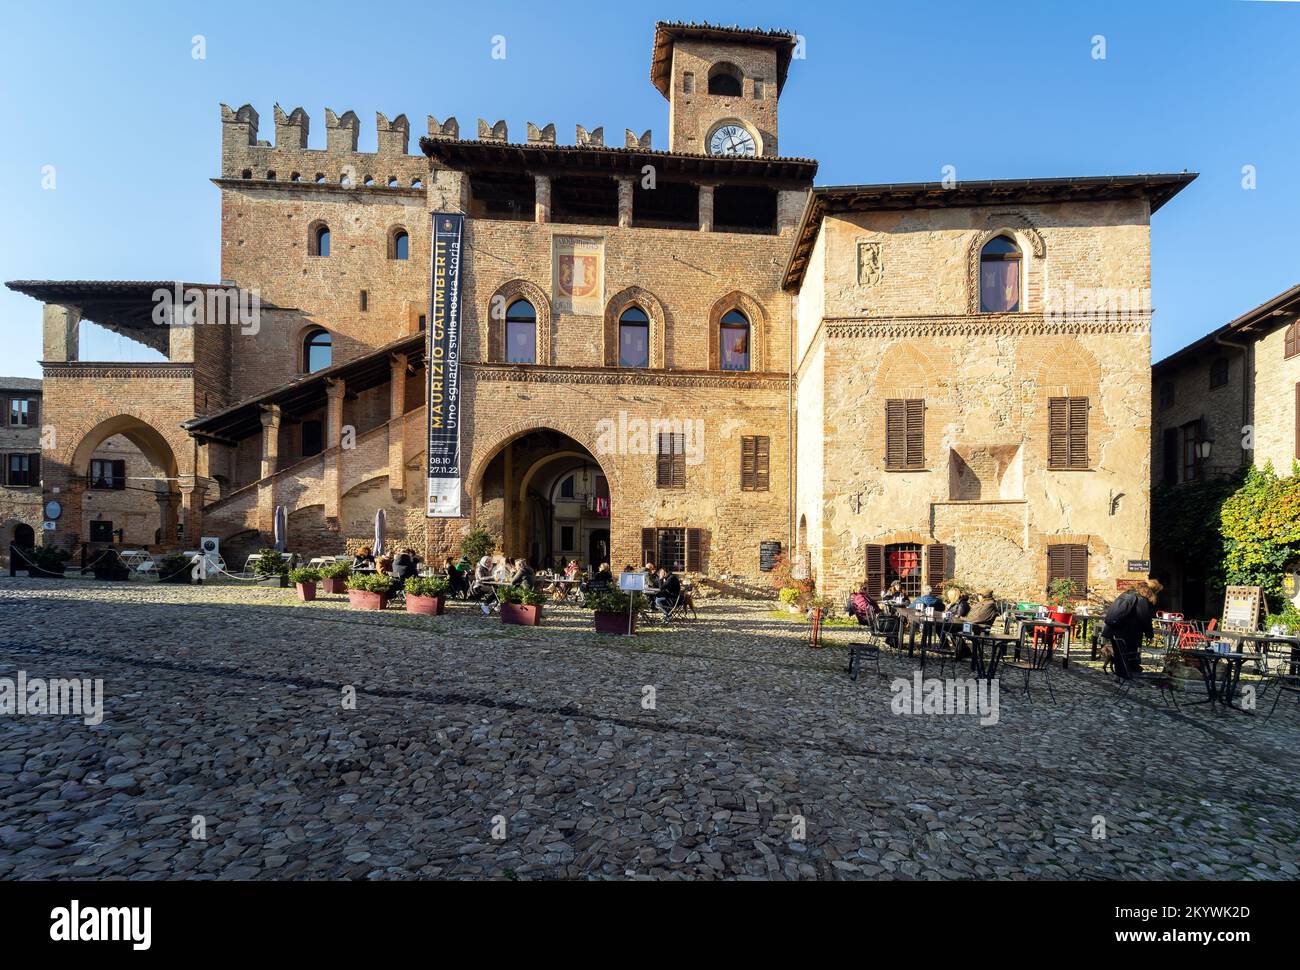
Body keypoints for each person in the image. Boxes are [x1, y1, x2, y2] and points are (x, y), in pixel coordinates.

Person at [1101, 580, 1161, 679]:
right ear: (1150, 591)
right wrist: (1149, 634)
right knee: (1128, 655)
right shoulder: (1140, 599)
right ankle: (1126, 677)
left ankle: (1120, 676)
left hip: (1113, 630)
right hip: (1127, 633)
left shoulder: (1126, 594)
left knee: (1120, 655)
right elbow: (1144, 618)